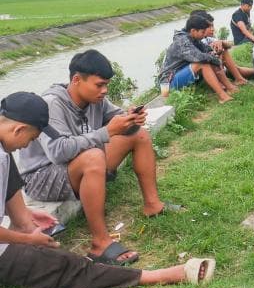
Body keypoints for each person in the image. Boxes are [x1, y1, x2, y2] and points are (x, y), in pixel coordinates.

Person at [1, 92, 215, 288]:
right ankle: (157, 276)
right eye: (31, 139)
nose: (25, 146)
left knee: (46, 251)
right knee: (64, 265)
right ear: (18, 129)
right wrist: (26, 240)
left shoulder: (5, 151)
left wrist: (27, 214)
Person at [18, 51, 179, 266]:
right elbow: (58, 152)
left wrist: (130, 118)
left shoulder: (96, 99)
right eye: (99, 85)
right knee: (93, 156)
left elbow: (116, 119)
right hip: (42, 177)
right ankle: (100, 243)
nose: (104, 91)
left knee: (138, 135)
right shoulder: (51, 104)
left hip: (77, 164)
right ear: (77, 80)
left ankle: (153, 205)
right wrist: (106, 132)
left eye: (107, 85)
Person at [158, 15, 236, 103]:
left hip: (179, 74)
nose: (204, 35)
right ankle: (223, 96)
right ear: (193, 31)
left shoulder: (193, 39)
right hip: (167, 84)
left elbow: (207, 49)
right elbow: (199, 58)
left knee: (210, 57)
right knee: (203, 63)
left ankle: (230, 88)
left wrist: (216, 49)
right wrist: (216, 60)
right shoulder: (182, 41)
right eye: (202, 32)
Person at [190, 10, 254, 82]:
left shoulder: (207, 38)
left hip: (219, 68)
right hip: (208, 72)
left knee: (237, 68)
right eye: (209, 26)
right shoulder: (194, 41)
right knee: (222, 52)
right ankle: (237, 79)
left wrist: (221, 42)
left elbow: (229, 45)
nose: (213, 29)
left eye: (212, 26)